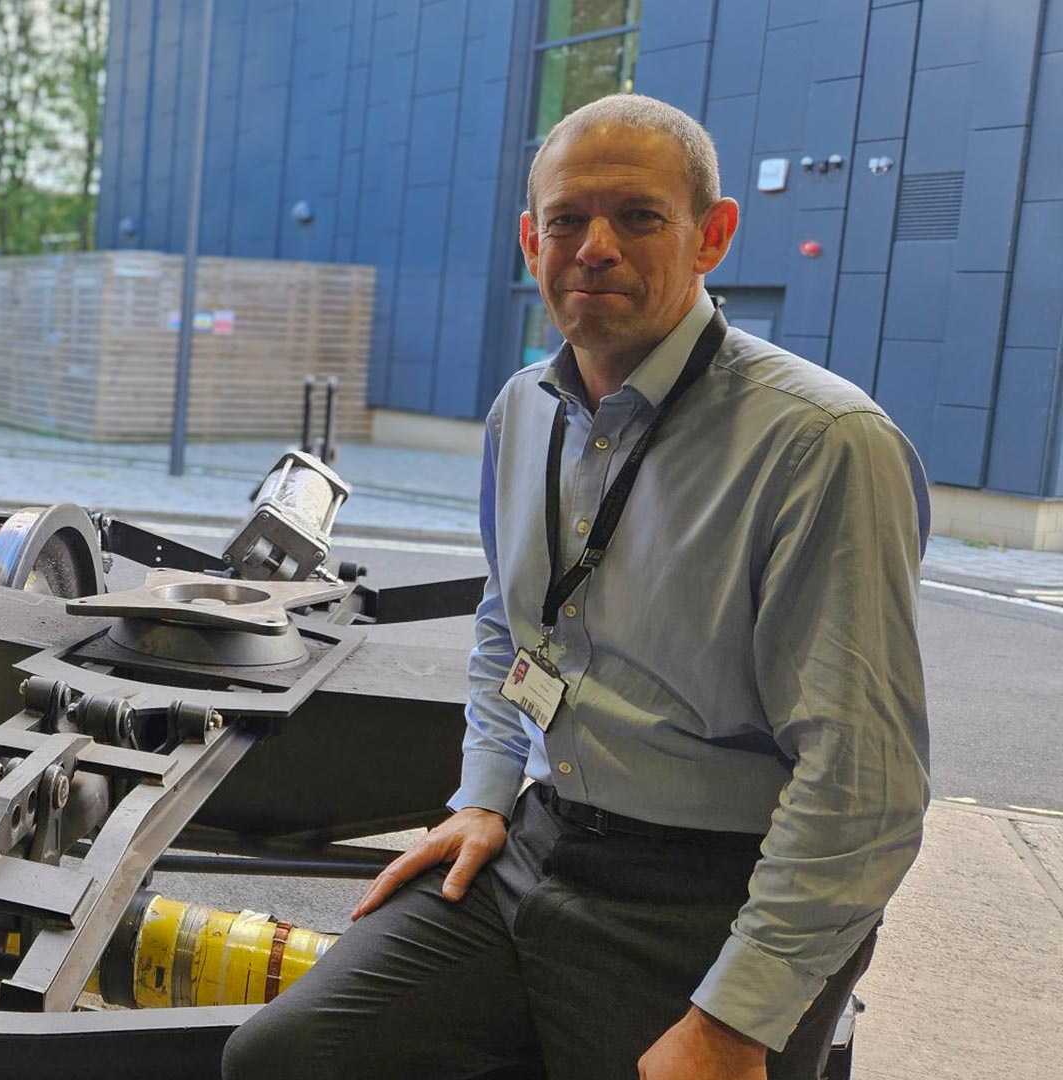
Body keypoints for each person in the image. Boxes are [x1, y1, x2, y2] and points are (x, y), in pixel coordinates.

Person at [223, 94, 930, 1080]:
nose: (595, 247)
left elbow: (866, 791)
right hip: (537, 844)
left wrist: (735, 1020)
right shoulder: (526, 411)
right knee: (287, 1060)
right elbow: (502, 628)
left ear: (712, 236)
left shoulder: (820, 446)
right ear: (530, 239)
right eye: (567, 220)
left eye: (638, 216)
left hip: (713, 893)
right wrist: (482, 797)